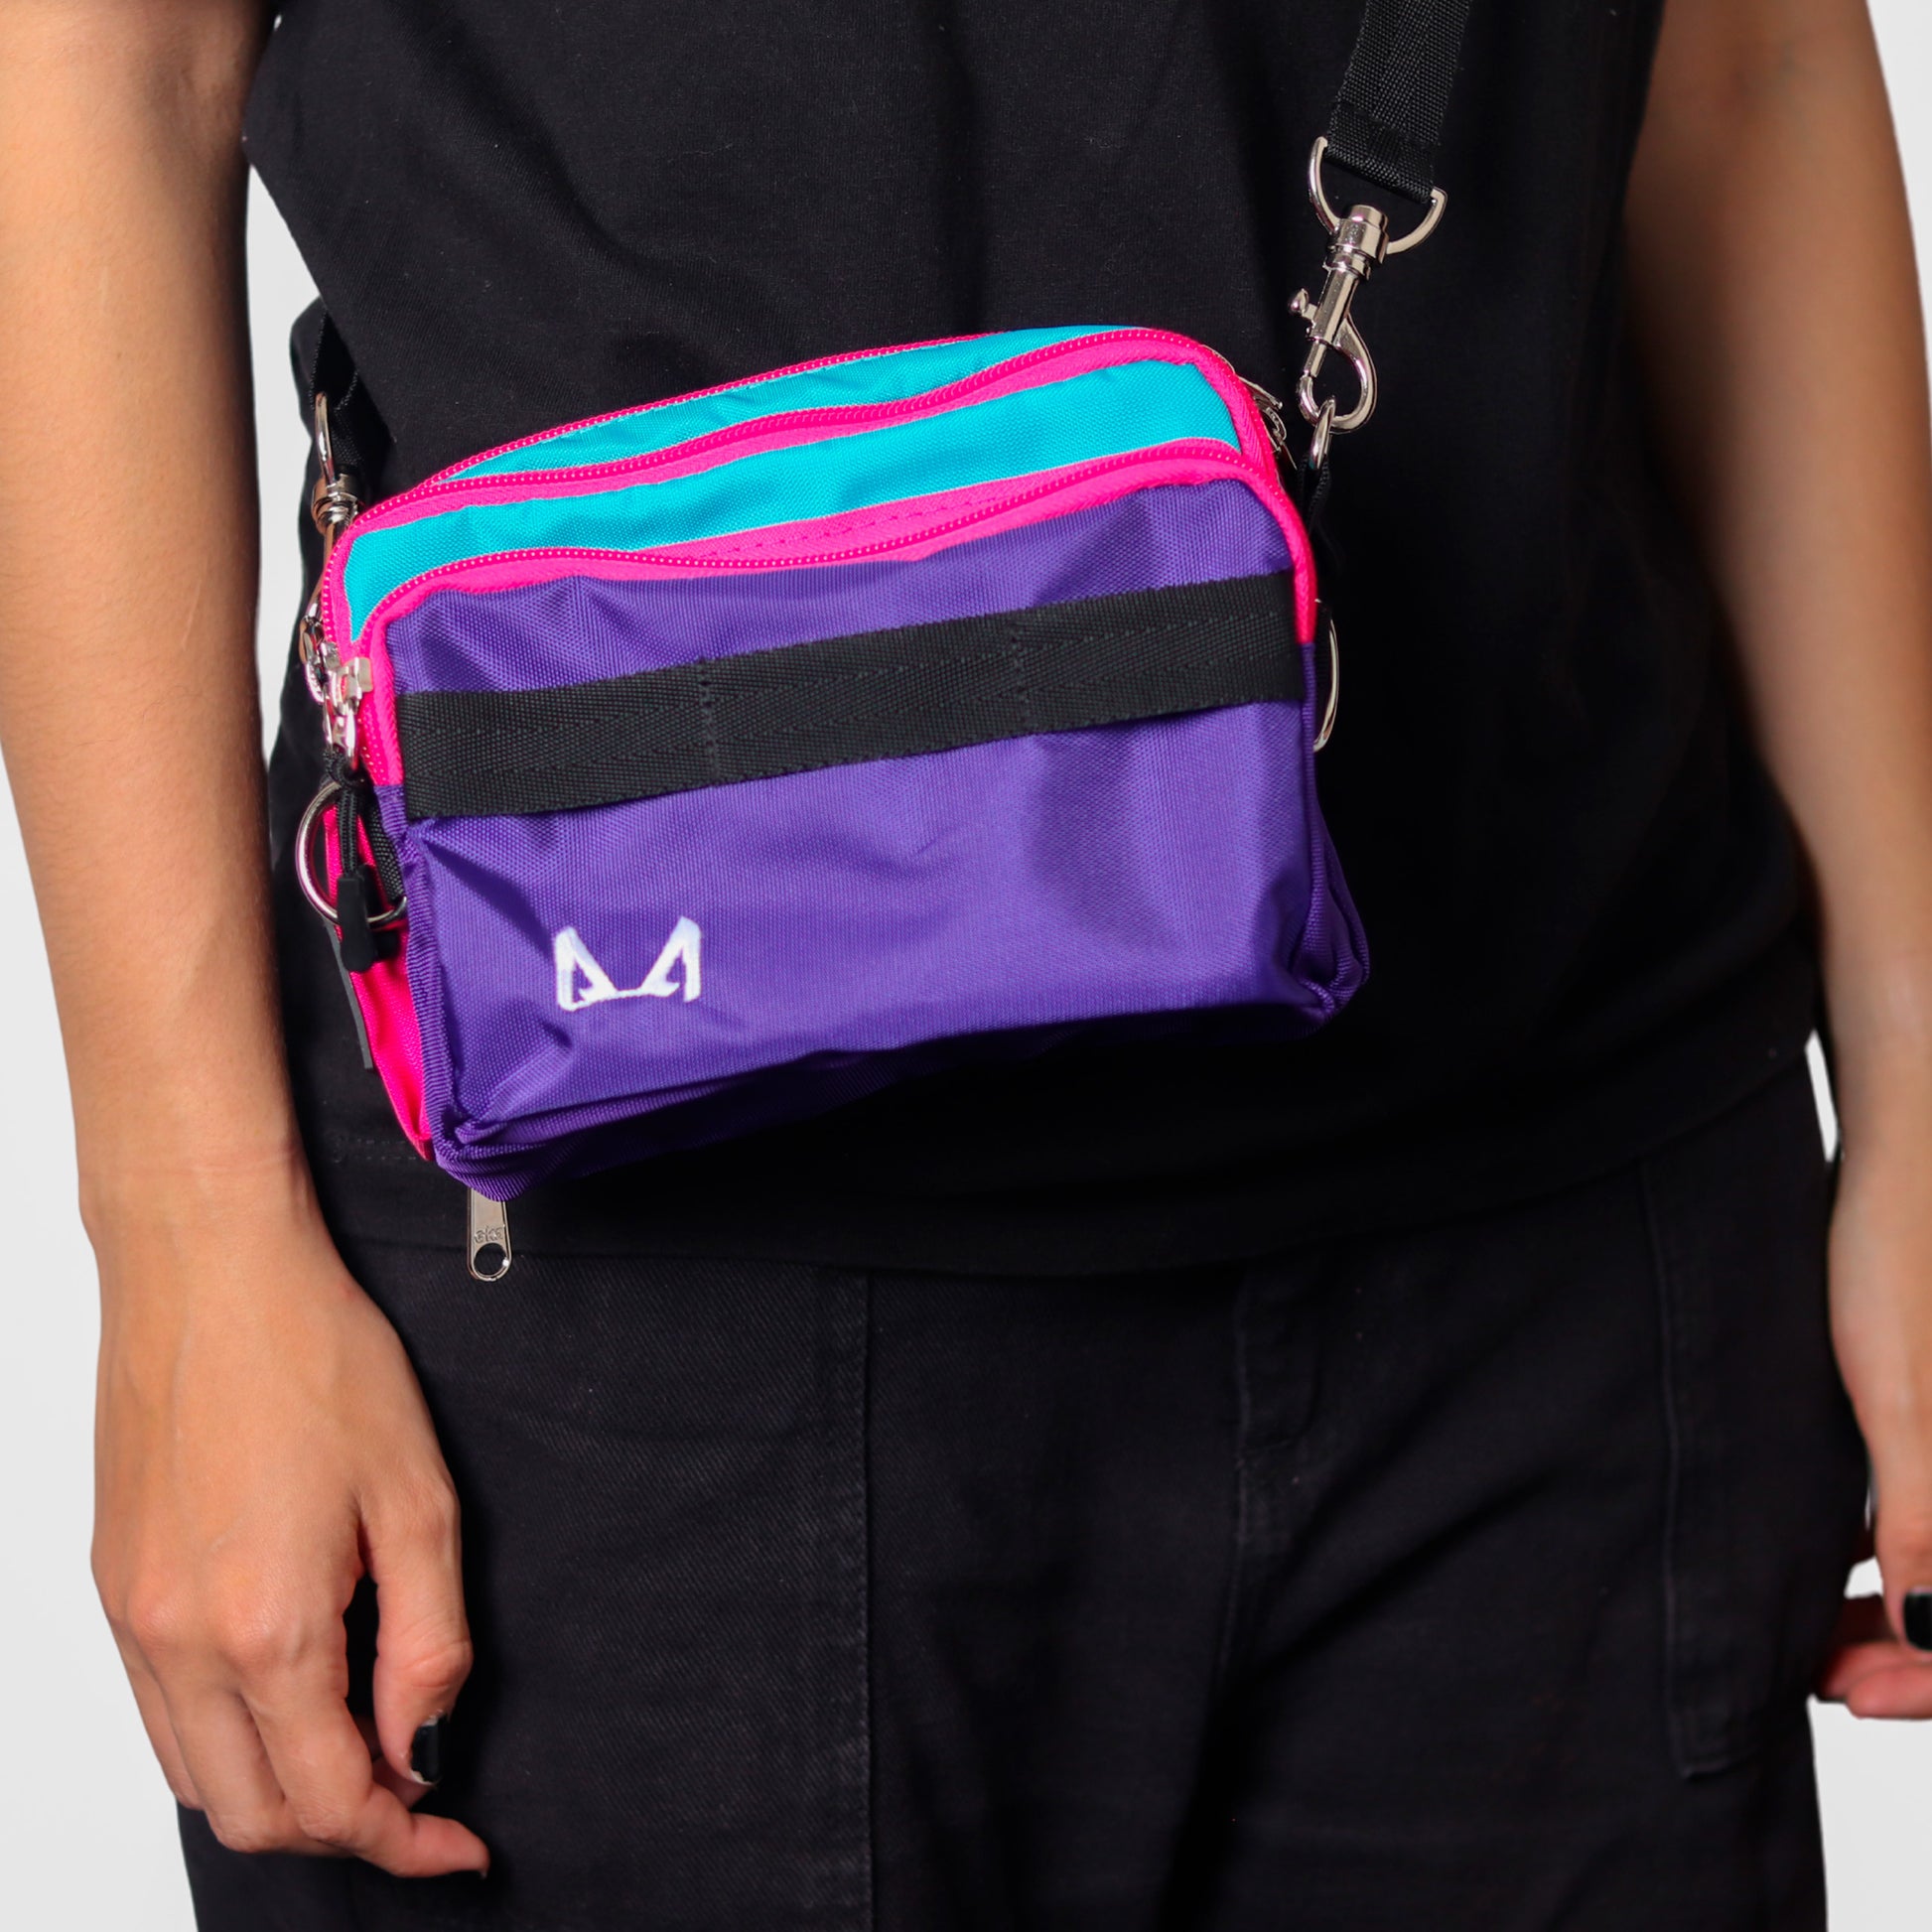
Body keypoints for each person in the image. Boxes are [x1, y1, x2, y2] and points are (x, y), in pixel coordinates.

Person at [3, 0, 1930, 1923]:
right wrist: (187, 1241)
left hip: (1559, 1251)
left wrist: (1920, 1091)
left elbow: (1745, 61)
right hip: (602, 1319)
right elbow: (104, 63)